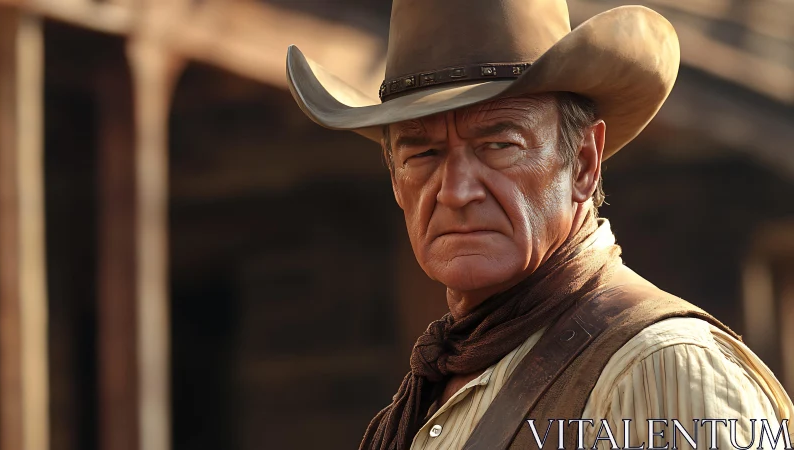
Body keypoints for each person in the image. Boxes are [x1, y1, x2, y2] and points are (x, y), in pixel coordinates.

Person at [285, 0, 794, 448]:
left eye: (499, 145)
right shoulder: (442, 382)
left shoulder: (665, 371)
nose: (457, 190)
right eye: (423, 153)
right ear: (396, 181)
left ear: (584, 163)